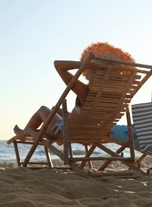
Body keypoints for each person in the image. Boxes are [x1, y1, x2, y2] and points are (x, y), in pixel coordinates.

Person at [7, 42, 135, 143]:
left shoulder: (86, 93)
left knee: (43, 109)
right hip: (91, 131)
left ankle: (24, 133)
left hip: (65, 132)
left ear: (92, 73)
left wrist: (86, 64)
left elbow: (58, 65)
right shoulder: (119, 95)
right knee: (54, 110)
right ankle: (40, 131)